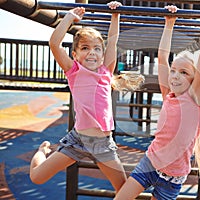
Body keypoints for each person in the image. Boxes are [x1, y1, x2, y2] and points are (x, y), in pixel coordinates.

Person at [114, 1, 200, 199]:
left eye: (183, 72)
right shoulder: (168, 96)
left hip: (173, 179)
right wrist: (169, 23)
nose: (174, 76)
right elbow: (163, 57)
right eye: (173, 71)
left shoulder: (194, 98)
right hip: (149, 165)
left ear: (194, 79)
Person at [30, 1, 129, 192]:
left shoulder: (106, 71)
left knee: (124, 189)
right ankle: (42, 151)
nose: (91, 52)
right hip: (78, 141)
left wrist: (116, 15)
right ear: (75, 54)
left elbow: (113, 40)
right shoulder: (73, 72)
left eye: (97, 48)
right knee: (37, 177)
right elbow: (54, 44)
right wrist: (68, 18)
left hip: (103, 145)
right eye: (85, 48)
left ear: (102, 55)